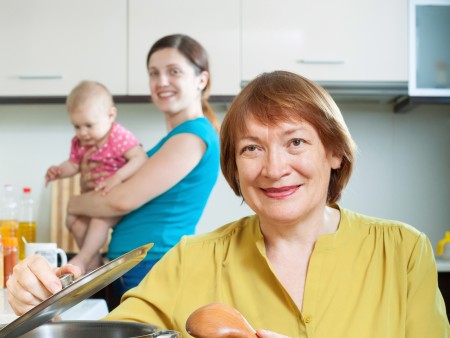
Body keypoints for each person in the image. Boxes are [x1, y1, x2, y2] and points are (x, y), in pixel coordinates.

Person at [8, 71, 449, 338]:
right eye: (251, 149)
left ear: (334, 152)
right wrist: (38, 296)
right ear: (234, 167)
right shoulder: (191, 259)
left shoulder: (403, 252)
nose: (274, 169)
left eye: (296, 142)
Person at [69, 34, 220, 303]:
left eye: (174, 71)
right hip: (135, 268)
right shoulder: (172, 140)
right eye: (154, 73)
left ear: (201, 80)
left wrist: (74, 204)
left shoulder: (192, 136)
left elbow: (120, 201)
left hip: (151, 267)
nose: (161, 81)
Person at [45, 80, 147, 274]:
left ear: (111, 116)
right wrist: (59, 170)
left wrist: (117, 177)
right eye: (76, 126)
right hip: (92, 197)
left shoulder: (118, 136)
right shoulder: (80, 142)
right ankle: (93, 262)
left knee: (99, 220)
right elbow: (73, 165)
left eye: (89, 125)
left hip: (112, 196)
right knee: (72, 220)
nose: (82, 133)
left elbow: (140, 157)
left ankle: (83, 259)